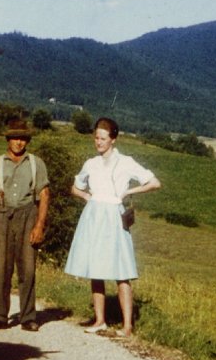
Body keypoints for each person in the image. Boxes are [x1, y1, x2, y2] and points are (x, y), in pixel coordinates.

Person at [65, 117, 161, 337]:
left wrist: (129, 192)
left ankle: (127, 326)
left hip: (114, 216)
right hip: (93, 216)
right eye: (96, 138)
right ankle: (100, 320)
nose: (98, 142)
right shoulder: (91, 163)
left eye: (103, 138)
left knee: (121, 270)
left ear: (113, 139)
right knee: (94, 269)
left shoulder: (126, 162)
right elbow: (74, 187)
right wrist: (87, 196)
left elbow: (154, 183)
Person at [0, 118, 51, 331]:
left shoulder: (36, 164)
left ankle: (28, 317)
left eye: (23, 138)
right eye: (15, 138)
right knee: (2, 268)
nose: (19, 142)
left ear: (27, 140)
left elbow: (44, 195)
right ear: (8, 139)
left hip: (28, 215)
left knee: (27, 269)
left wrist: (39, 226)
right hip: (1, 216)